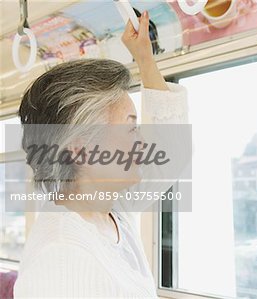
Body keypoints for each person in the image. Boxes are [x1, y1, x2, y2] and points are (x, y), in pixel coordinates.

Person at [13, 11, 187, 298]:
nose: (142, 140)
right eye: (131, 128)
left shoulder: (109, 209)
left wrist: (144, 57)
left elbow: (171, 153)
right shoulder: (61, 260)